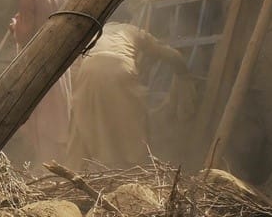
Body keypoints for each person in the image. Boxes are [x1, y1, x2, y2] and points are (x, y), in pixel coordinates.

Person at [66, 21, 190, 169]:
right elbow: (165, 52)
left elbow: (72, 71)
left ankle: (80, 169)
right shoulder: (131, 30)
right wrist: (183, 72)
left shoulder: (91, 34)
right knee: (132, 124)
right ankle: (132, 169)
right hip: (120, 69)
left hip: (87, 70)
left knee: (84, 122)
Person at [10, 0, 71, 166]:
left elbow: (24, 36)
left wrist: (15, 25)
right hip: (59, 61)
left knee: (42, 117)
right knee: (59, 114)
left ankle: (47, 170)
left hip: (38, 64)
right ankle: (61, 165)